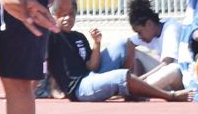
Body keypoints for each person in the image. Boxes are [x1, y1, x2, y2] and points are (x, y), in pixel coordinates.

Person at [44, 26, 189, 103]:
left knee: (123, 44)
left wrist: (97, 43)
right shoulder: (52, 37)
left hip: (91, 75)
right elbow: (44, 59)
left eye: (71, 13)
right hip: (80, 88)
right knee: (121, 77)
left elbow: (92, 66)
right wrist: (50, 87)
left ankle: (129, 89)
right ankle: (169, 96)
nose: (68, 18)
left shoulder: (79, 37)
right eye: (64, 14)